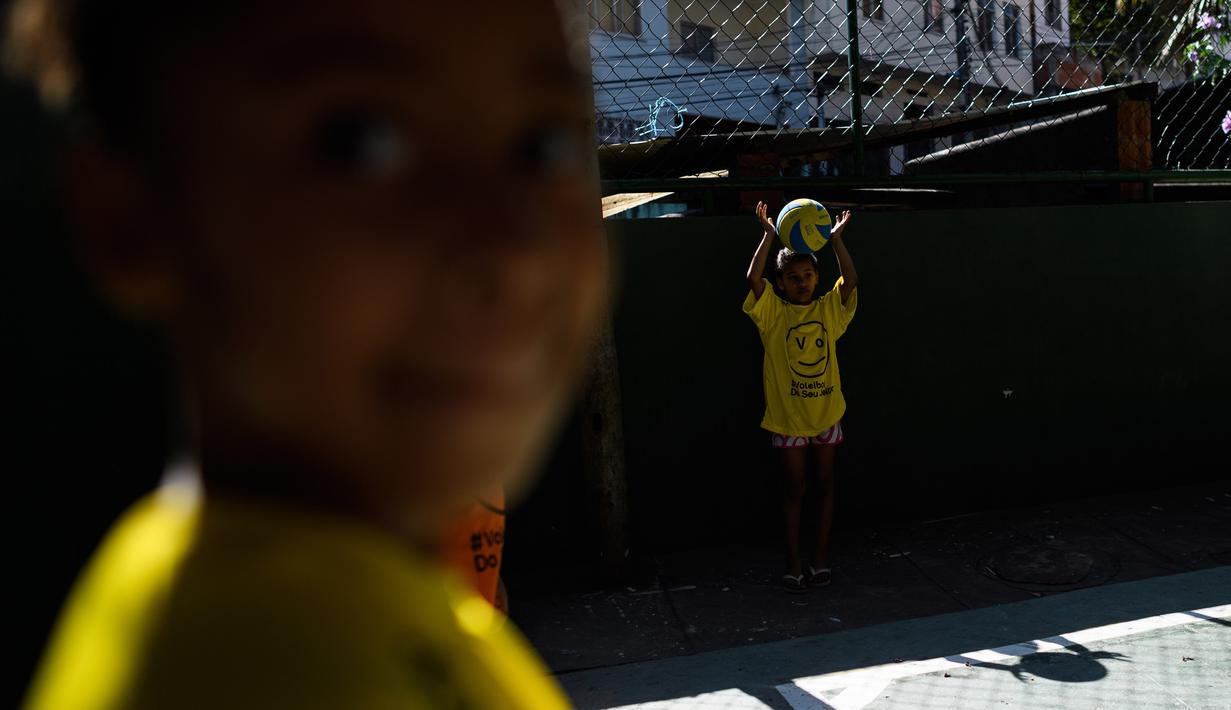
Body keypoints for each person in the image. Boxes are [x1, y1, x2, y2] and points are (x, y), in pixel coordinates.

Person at [10, 1, 607, 707]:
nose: (511, 247)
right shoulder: (271, 668)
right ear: (128, 219)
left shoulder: (309, 605)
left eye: (544, 144)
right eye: (359, 141)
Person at [743, 201, 857, 593]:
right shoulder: (772, 313)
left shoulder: (828, 310)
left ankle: (819, 558)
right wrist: (768, 235)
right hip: (788, 420)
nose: (802, 282)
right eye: (793, 277)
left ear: (816, 278)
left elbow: (851, 282)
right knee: (794, 490)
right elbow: (752, 277)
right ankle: (793, 562)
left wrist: (837, 241)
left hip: (827, 416)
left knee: (825, 485)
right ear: (782, 284)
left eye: (808, 275)